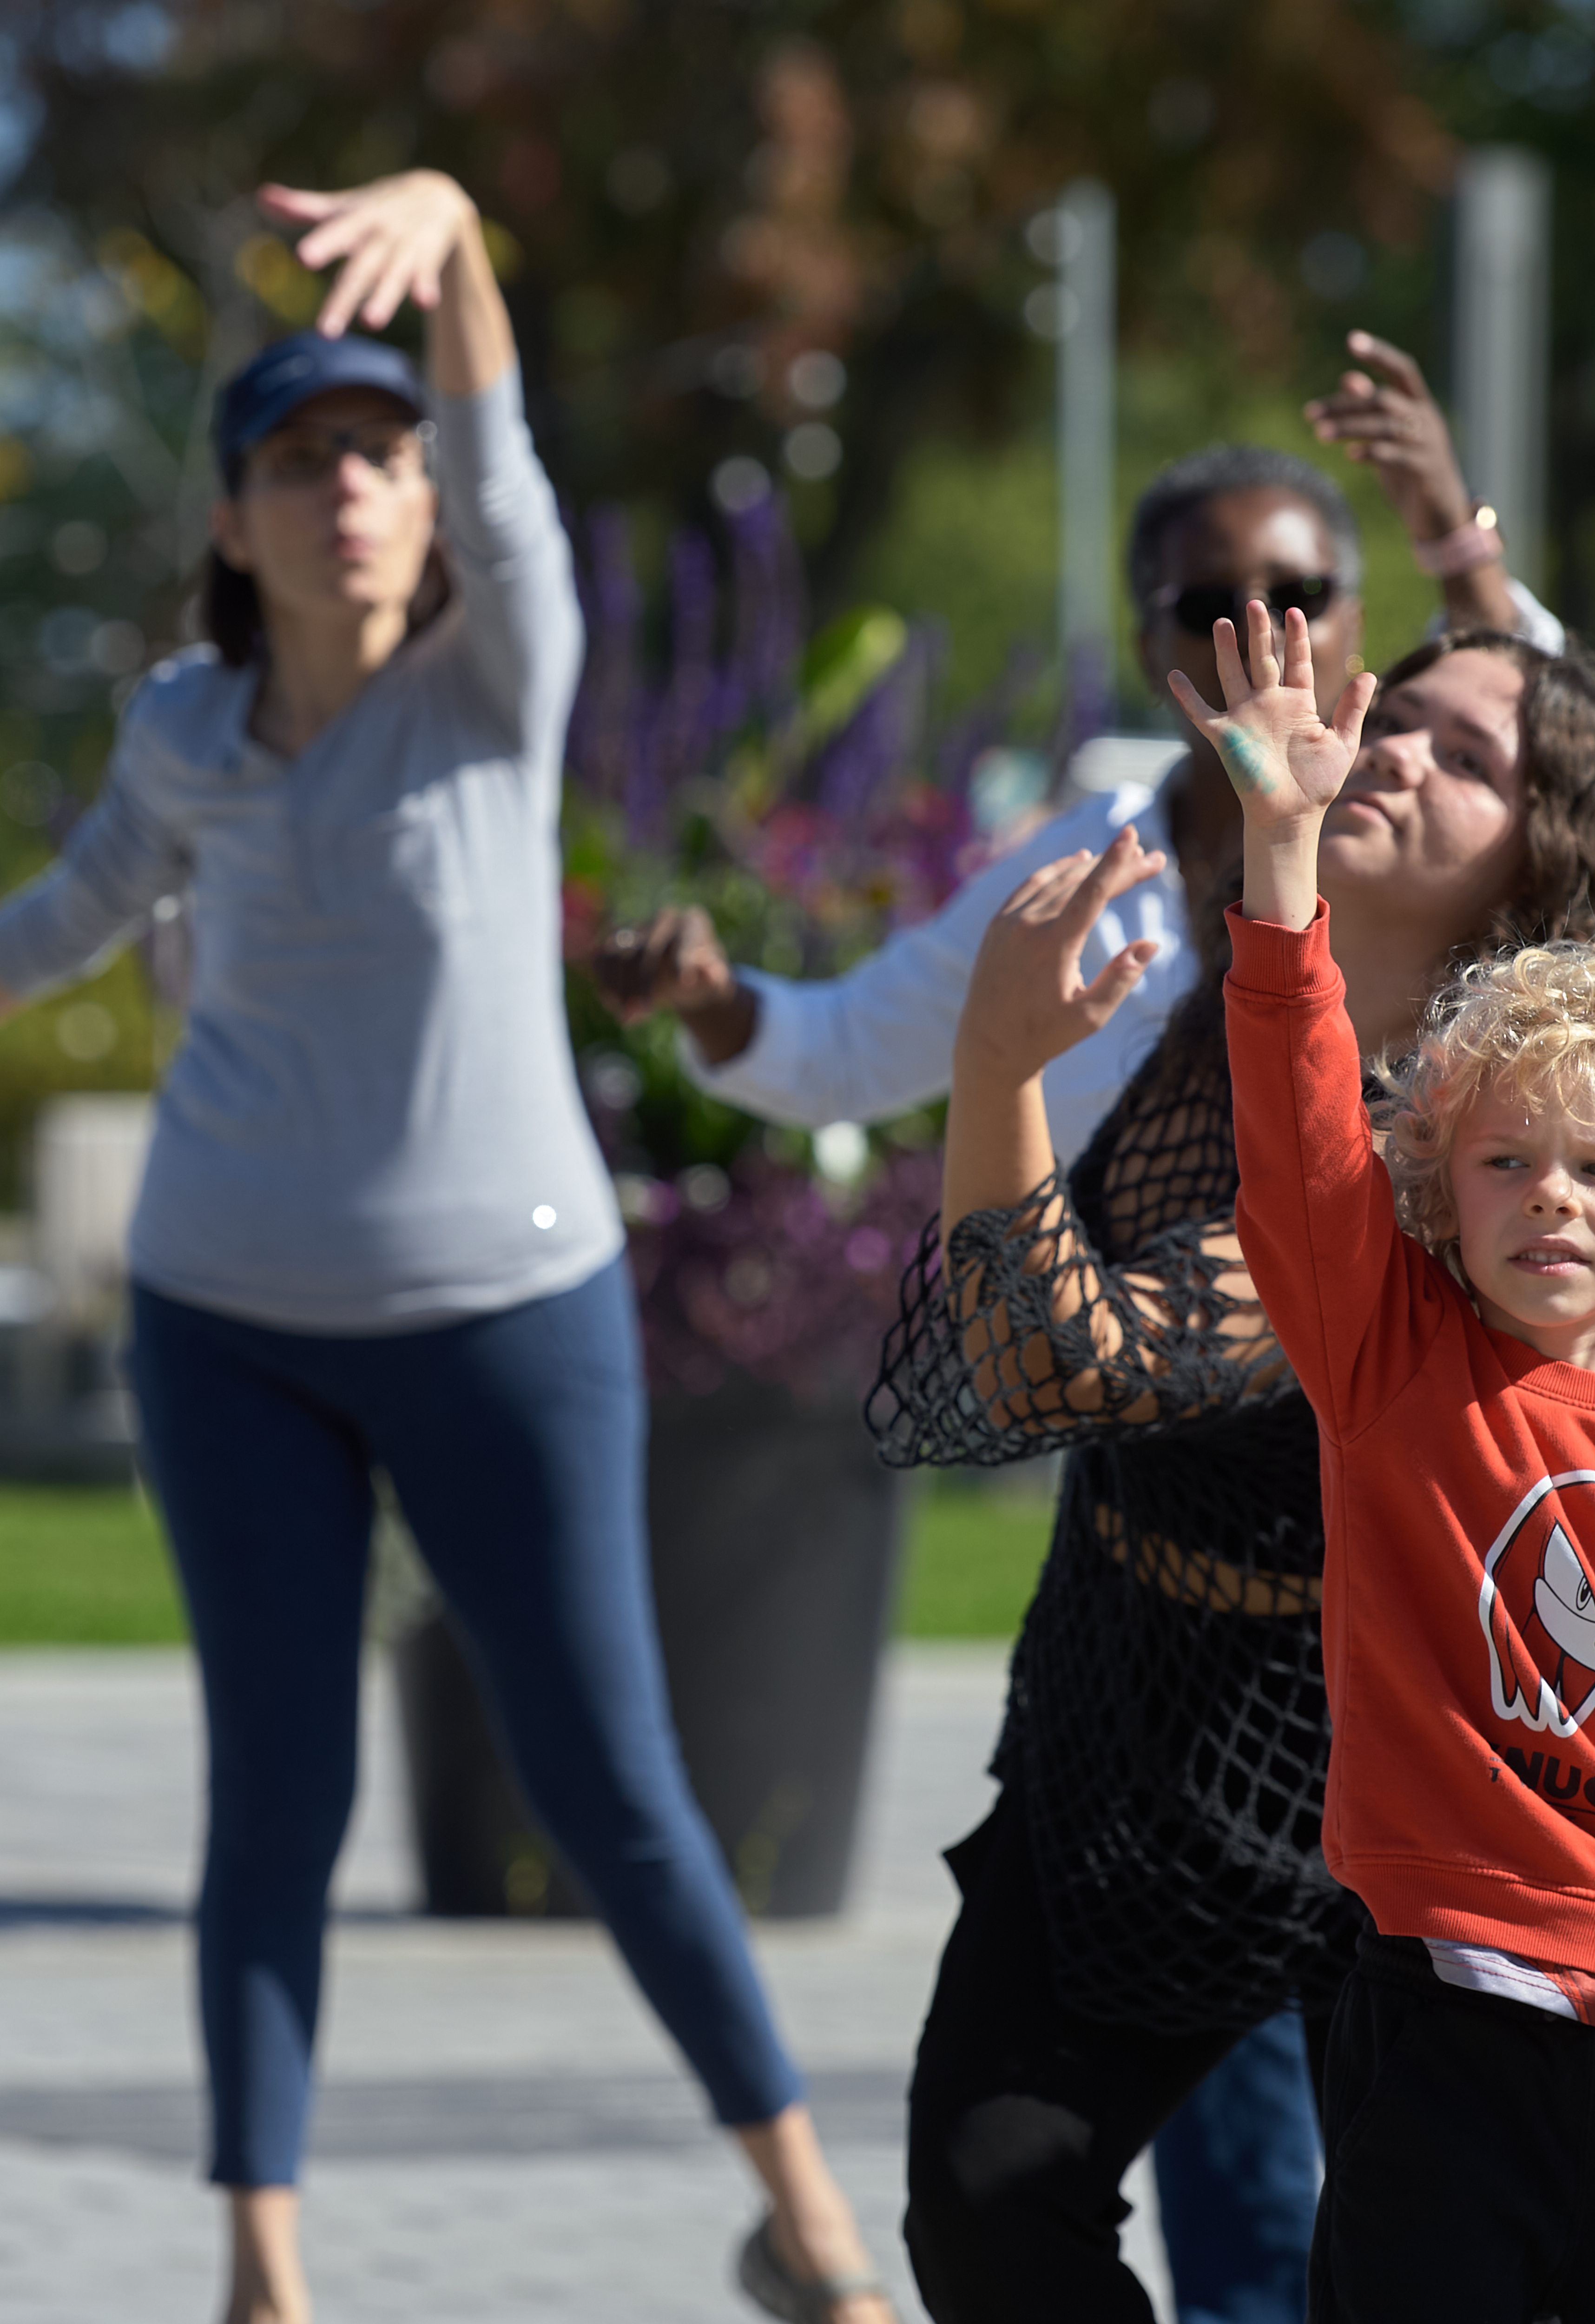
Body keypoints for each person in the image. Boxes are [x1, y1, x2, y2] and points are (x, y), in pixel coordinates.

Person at [0, 170, 891, 2324]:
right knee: (276, 1797)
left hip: (506, 1311)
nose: (353, 486)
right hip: (229, 1322)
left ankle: (809, 2227)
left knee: (612, 1788)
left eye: (381, 453)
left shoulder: (498, 677)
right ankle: (264, 2273)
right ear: (235, 523)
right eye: (303, 457)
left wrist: (466, 239)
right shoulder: (183, 731)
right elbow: (62, 919)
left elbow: (506, 472)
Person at [603, 355, 1563, 2319]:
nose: (1262, 634)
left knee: (1417, 2223)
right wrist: (719, 1008)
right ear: (1147, 641)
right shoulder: (1100, 872)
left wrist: (1464, 545)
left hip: (1404, 1655)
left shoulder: (1469, 904)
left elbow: (1553, 747)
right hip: (1154, 1631)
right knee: (1067, 2194)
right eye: (1211, 603)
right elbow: (852, 1050)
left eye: (1304, 594)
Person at [866, 618, 1595, 2322]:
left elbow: (1073, 1362)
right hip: (1134, 1712)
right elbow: (1029, 1364)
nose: (1403, 754)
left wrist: (997, 1067)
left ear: (1540, 862)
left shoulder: (1471, 1151)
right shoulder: (1231, 1010)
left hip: (1412, 1757)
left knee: (1451, 2283)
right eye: (1403, 719)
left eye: (1470, 758)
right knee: (990, 2205)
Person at [1195, 598, 1595, 2321]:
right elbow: (1298, 1130)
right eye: (1504, 1162)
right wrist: (1283, 853)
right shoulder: (1388, 1362)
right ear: (1441, 1187)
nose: (1550, 1197)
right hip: (1444, 2036)